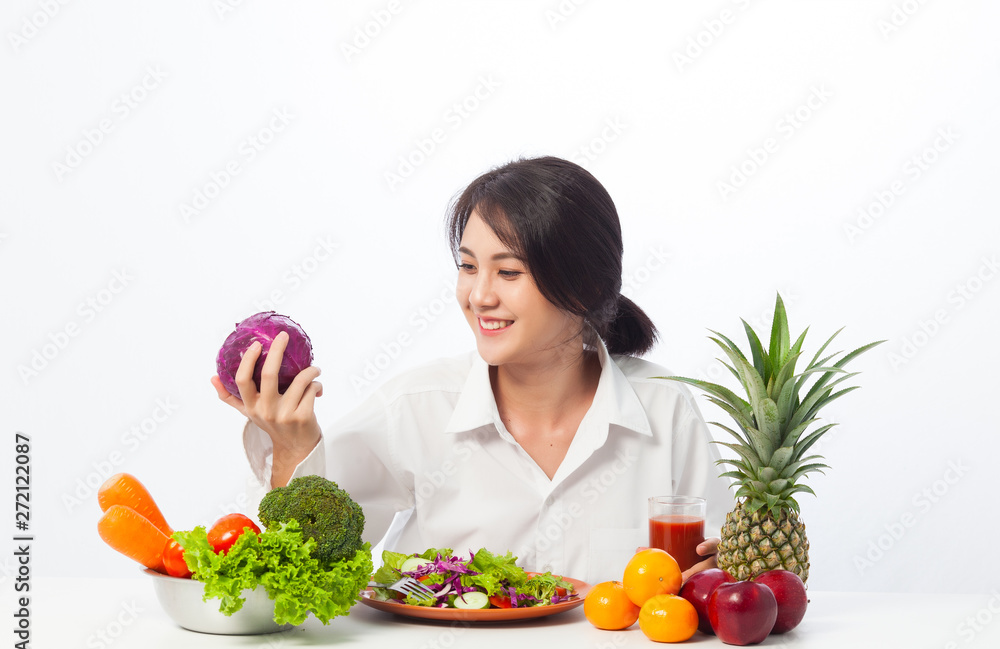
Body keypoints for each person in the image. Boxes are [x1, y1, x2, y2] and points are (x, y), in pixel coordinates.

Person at [211, 156, 732, 584]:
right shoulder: (417, 407)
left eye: (508, 271)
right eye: (467, 266)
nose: (479, 296)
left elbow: (728, 570)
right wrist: (292, 444)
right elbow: (308, 562)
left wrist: (719, 573)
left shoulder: (664, 410)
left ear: (584, 288)